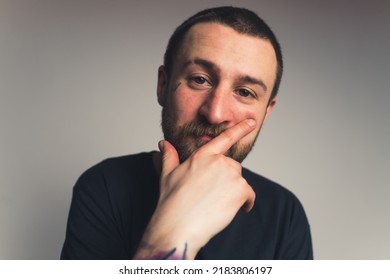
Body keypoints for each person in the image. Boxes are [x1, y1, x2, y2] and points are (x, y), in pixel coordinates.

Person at [61, 6, 313, 260]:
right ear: (162, 85)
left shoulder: (285, 215)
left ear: (266, 113)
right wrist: (174, 229)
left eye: (245, 92)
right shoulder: (104, 186)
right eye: (200, 80)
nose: (215, 113)